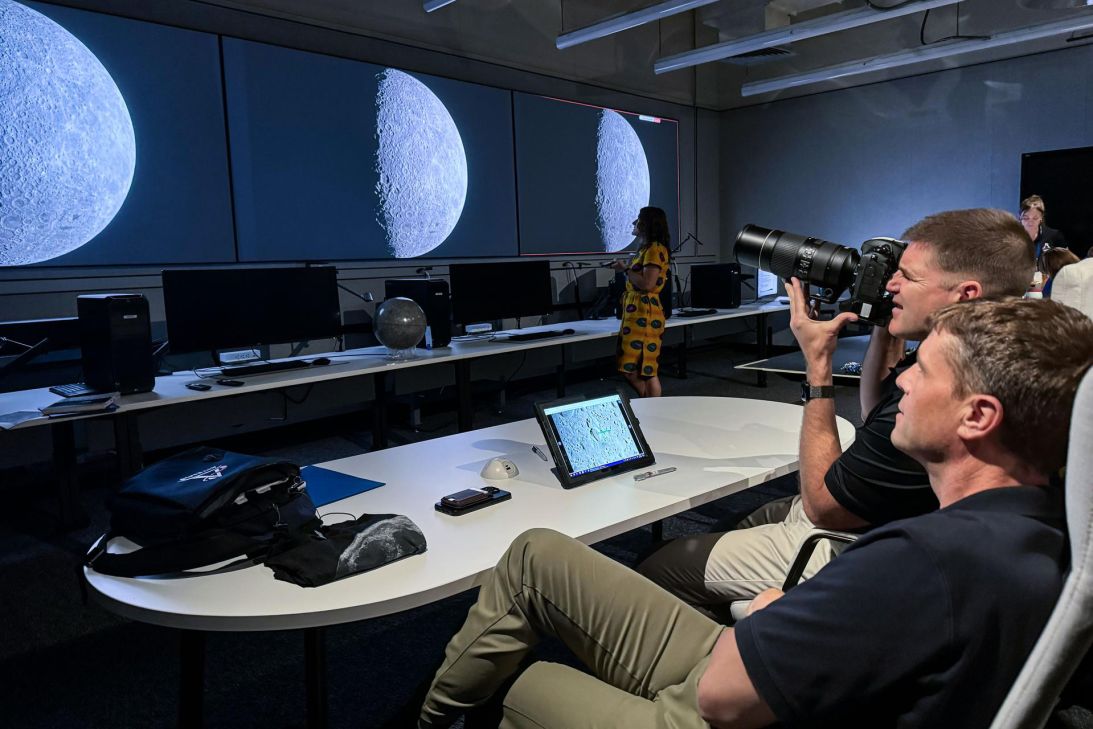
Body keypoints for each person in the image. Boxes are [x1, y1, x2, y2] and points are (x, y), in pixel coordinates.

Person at [418, 298, 1093, 729]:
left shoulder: (923, 559)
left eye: (924, 370)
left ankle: (440, 716)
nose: (903, 380)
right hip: (783, 671)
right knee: (538, 551)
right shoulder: (1046, 526)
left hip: (730, 702)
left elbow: (720, 699)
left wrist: (771, 616)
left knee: (525, 681)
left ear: (977, 416)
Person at [637, 209, 1034, 614]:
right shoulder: (976, 354)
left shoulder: (946, 394)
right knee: (740, 521)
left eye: (907, 278)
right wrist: (883, 318)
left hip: (851, 543)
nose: (892, 284)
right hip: (871, 516)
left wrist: (818, 366)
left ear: (965, 295)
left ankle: (714, 655)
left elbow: (823, 508)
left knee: (653, 567)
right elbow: (876, 411)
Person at [609, 207, 671, 398]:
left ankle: (651, 405)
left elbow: (647, 283)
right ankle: (650, 405)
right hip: (637, 312)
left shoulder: (654, 249)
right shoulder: (646, 249)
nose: (633, 223)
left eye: (638, 220)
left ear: (647, 224)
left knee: (644, 367)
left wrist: (625, 269)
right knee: (637, 366)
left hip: (645, 314)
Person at [1020, 194, 1068, 262]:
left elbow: (1067, 262)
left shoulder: (1054, 236)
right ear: (1020, 218)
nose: (1030, 222)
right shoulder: (1012, 238)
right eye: (1026, 218)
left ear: (1041, 218)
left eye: (1035, 218)